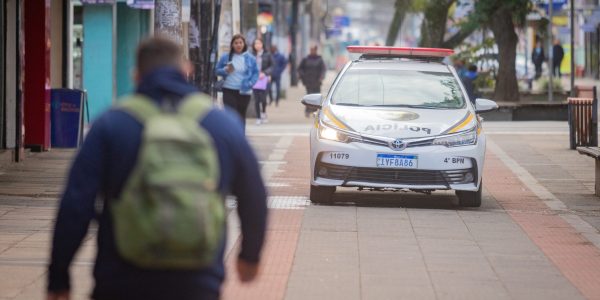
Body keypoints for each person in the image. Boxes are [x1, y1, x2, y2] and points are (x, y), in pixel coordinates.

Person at [47, 37, 268, 300]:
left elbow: (76, 203)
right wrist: (249, 256)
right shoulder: (222, 125)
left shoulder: (111, 125)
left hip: (121, 280)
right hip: (198, 282)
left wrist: (59, 275)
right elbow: (254, 193)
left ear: (137, 75)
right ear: (187, 70)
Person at [216, 34, 259, 129]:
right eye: (236, 43)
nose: (238, 45)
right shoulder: (225, 57)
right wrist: (224, 70)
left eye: (240, 43)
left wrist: (251, 83)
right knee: (230, 116)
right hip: (228, 90)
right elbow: (216, 70)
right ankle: (231, 137)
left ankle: (240, 137)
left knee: (241, 115)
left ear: (244, 44)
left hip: (244, 91)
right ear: (232, 45)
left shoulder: (250, 58)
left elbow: (256, 73)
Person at [298, 45, 327, 117]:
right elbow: (300, 68)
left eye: (313, 50)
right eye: (311, 50)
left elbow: (323, 69)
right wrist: (302, 75)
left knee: (316, 98)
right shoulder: (306, 59)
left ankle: (315, 111)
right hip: (308, 81)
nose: (312, 51)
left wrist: (321, 77)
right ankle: (307, 111)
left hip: (317, 82)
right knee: (308, 96)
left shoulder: (319, 60)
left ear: (316, 50)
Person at [251, 38, 273, 124]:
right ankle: (258, 117)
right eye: (256, 44)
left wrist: (266, 73)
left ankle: (263, 112)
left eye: (259, 43)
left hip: (264, 79)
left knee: (263, 98)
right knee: (256, 99)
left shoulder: (267, 55)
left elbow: (272, 66)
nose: (257, 45)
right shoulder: (252, 55)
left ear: (262, 44)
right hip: (255, 79)